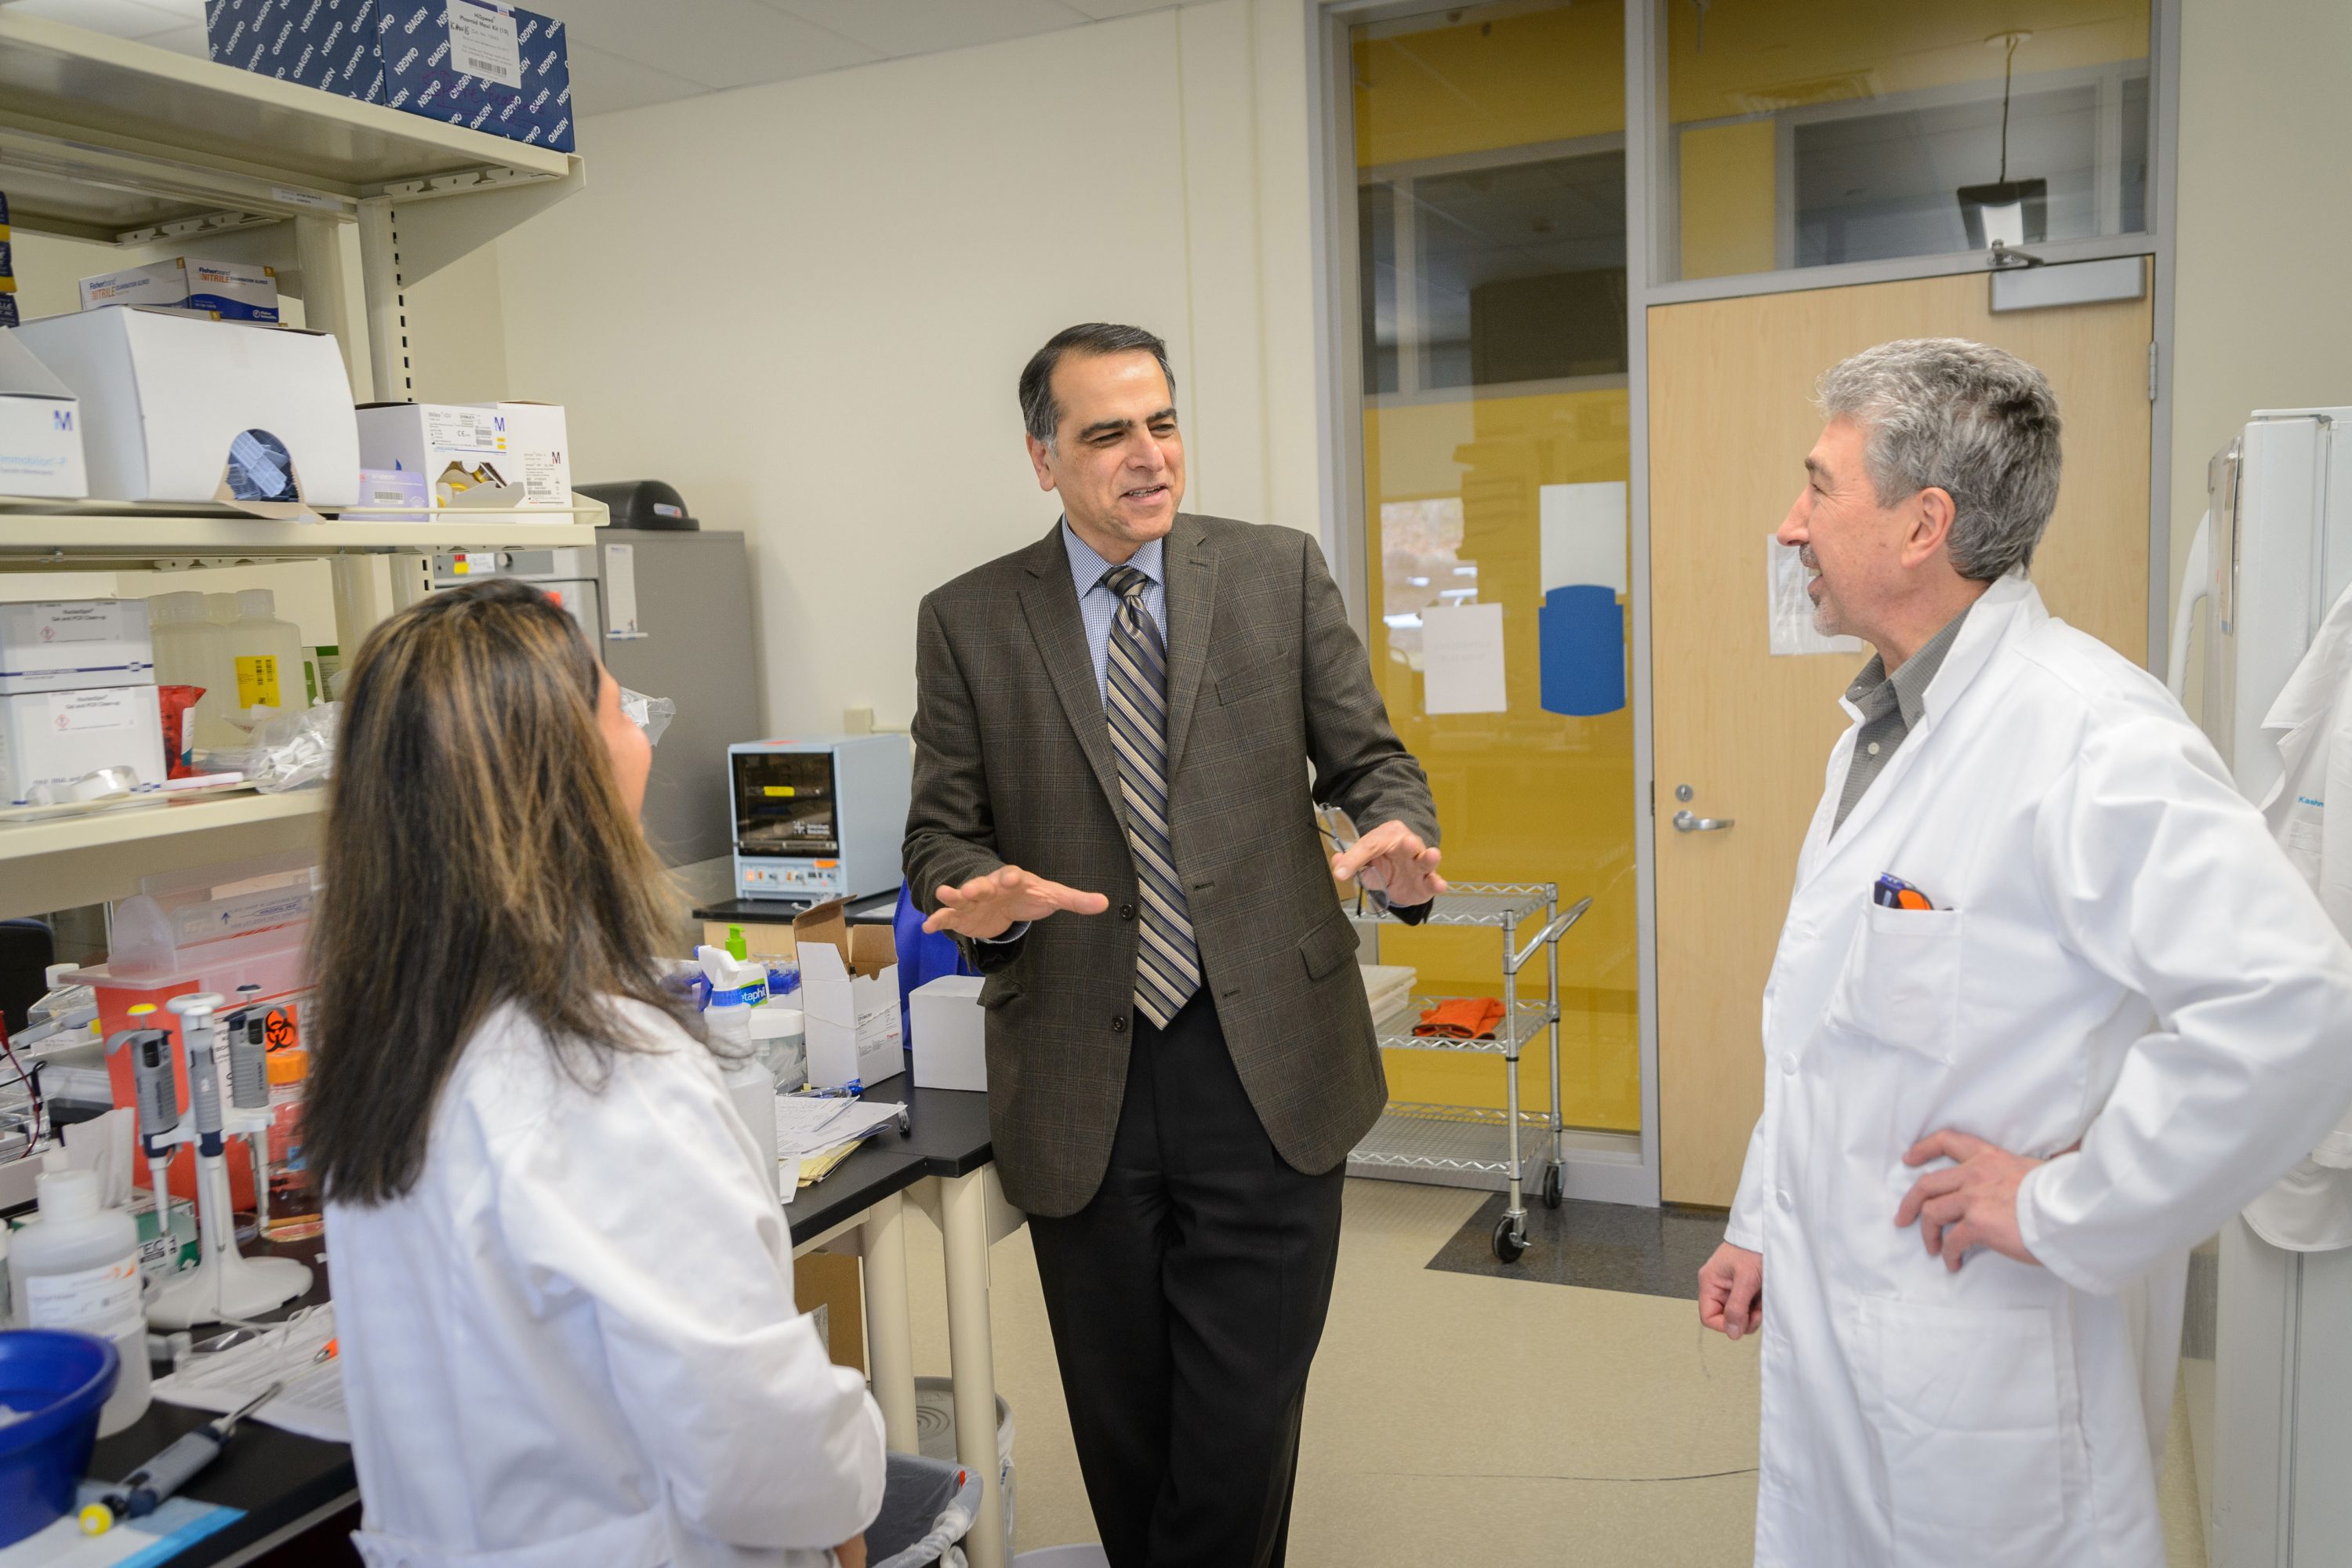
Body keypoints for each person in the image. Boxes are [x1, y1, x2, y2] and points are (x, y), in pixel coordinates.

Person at [1694, 338, 2352, 1567]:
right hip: (1852, 1329)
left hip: (1986, 1365)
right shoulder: (1876, 735)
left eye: (1819, 486)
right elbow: (1828, 1037)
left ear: (1920, 525)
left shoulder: (2090, 734)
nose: (1790, 525)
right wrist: (1759, 1224)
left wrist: (2065, 1205)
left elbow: (2297, 1010)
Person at [903, 322, 1443, 1567]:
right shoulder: (972, 620)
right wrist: (968, 889)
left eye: (1163, 422)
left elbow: (1370, 759)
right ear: (1044, 459)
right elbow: (941, 834)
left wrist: (1397, 829)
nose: (1149, 456)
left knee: (1238, 1429)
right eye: (1107, 434)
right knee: (1125, 1429)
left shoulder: (1273, 573)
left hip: (1267, 1059)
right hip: (1081, 1069)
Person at [307, 580, 884, 1568]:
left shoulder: (391, 1051)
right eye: (622, 709)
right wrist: (846, 1502)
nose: (642, 736)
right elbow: (753, 1427)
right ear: (565, 771)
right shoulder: (597, 1072)